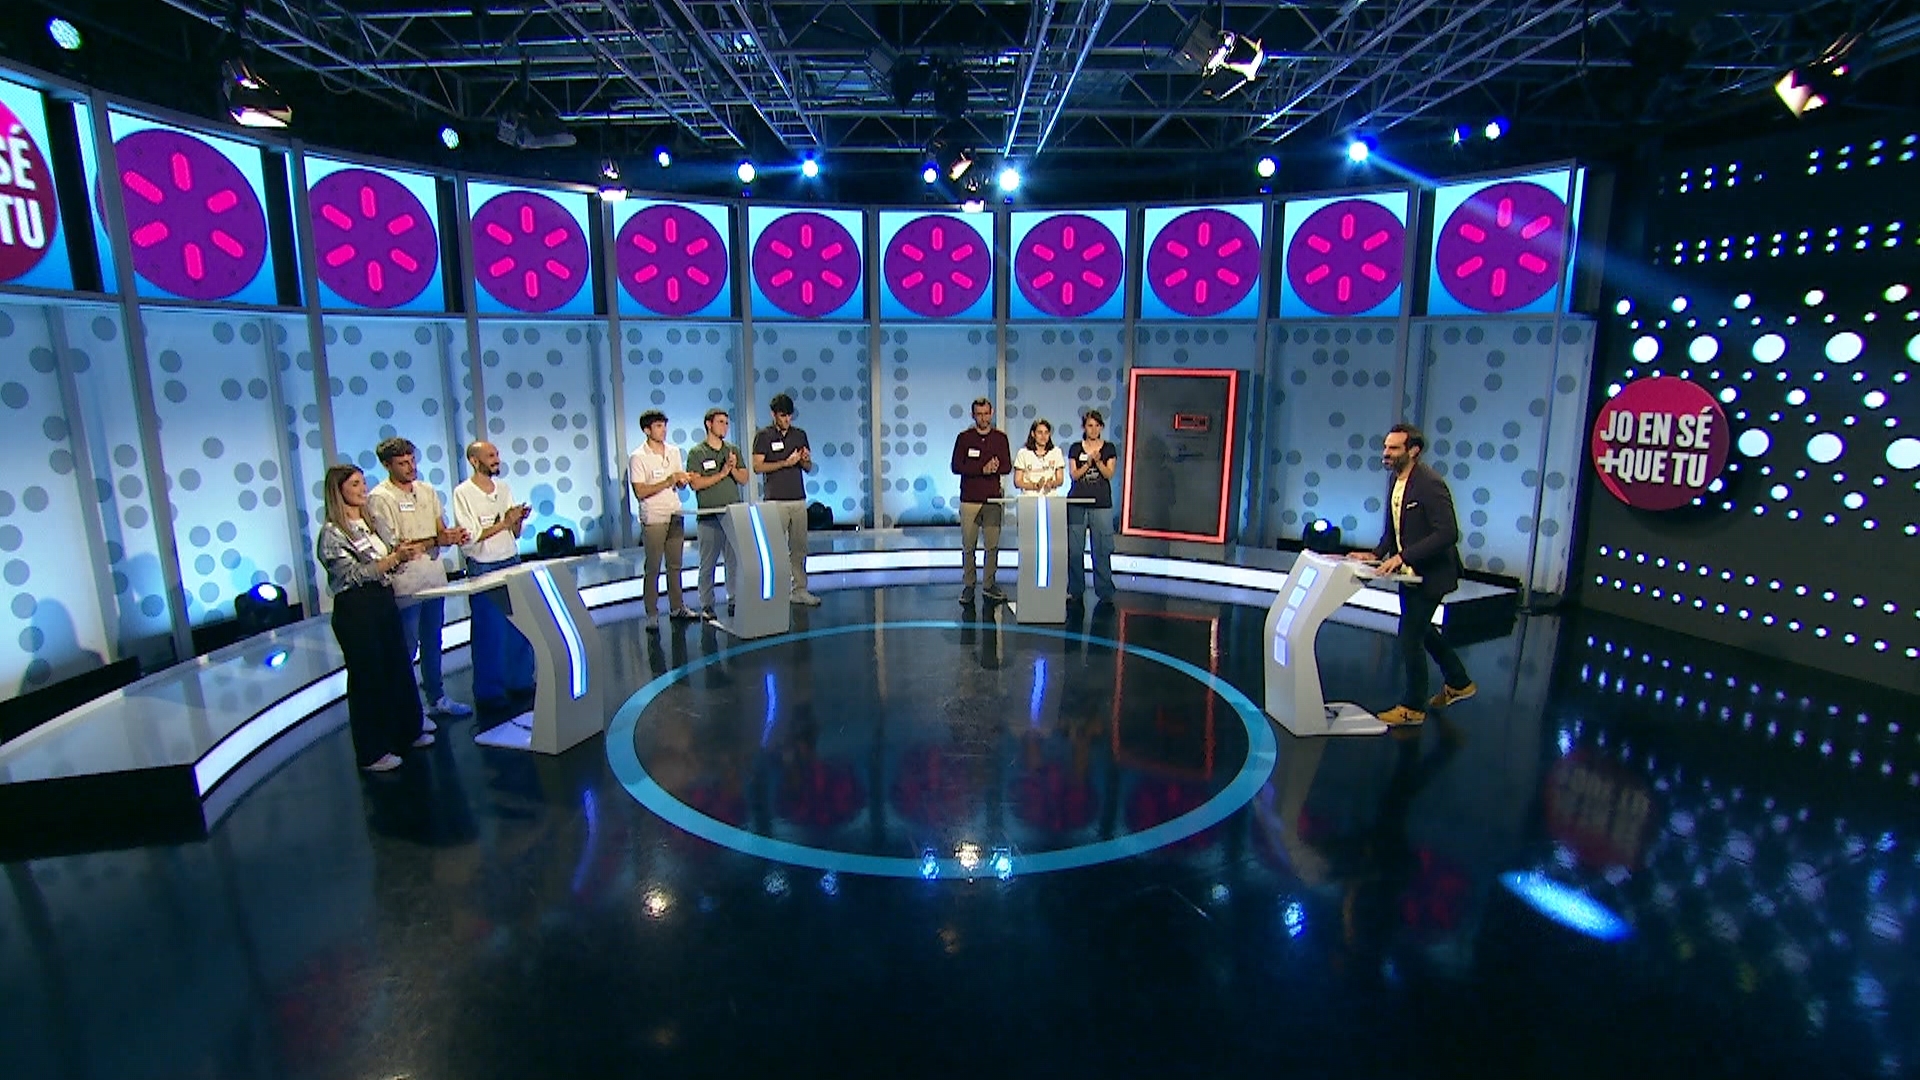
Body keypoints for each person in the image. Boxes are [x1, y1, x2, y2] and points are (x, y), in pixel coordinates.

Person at [1348, 423, 1475, 727]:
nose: (1386, 453)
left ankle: (1413, 707)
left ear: (1413, 451)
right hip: (1409, 575)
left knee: (1410, 637)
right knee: (1421, 630)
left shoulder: (1430, 484)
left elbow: (1448, 533)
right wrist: (1377, 553)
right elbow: (1395, 528)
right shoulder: (1397, 480)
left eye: (1393, 448)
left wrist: (1404, 557)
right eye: (1385, 447)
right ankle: (1459, 682)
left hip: (1431, 574)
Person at [316, 463, 434, 773]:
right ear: (338, 490)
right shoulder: (332, 533)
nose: (363, 489)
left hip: (383, 601)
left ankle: (407, 732)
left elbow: (387, 560)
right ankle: (372, 751)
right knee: (369, 678)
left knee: (397, 668)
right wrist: (392, 559)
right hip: (356, 609)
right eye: (355, 484)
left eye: (363, 482)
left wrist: (401, 556)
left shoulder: (372, 522)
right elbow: (353, 574)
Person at [366, 437, 473, 724]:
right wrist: (435, 540)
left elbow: (440, 531)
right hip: (406, 585)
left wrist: (451, 536)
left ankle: (437, 698)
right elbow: (397, 545)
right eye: (402, 463)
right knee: (407, 647)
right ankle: (408, 709)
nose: (410, 467)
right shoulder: (380, 498)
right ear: (387, 465)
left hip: (434, 578)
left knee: (433, 641)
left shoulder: (427, 490)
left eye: (412, 460)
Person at [452, 440, 536, 709]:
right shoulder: (463, 493)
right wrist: (505, 522)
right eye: (490, 455)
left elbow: (514, 532)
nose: (496, 459)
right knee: (490, 632)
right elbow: (470, 536)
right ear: (474, 461)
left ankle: (521, 681)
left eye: (497, 454)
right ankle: (490, 692)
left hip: (511, 561)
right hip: (483, 565)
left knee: (518, 626)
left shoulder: (504, 488)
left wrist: (518, 519)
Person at [628, 410, 700, 630]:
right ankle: (652, 613)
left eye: (664, 425)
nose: (663, 430)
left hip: (675, 512)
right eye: (658, 426)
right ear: (646, 430)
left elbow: (677, 483)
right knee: (653, 567)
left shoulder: (673, 451)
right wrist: (668, 480)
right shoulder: (638, 457)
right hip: (654, 517)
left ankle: (677, 607)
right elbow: (640, 491)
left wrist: (683, 480)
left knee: (675, 565)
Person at [751, 393, 822, 606]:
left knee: (799, 548)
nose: (787, 419)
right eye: (783, 415)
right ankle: (775, 592)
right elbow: (757, 467)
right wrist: (785, 462)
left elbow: (808, 467)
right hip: (775, 500)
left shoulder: (799, 435)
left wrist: (805, 460)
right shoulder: (763, 436)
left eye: (790, 415)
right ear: (773, 415)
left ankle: (799, 589)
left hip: (798, 498)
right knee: (776, 549)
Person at [685, 407, 750, 621]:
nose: (725, 426)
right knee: (708, 564)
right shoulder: (697, 453)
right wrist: (721, 474)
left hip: (732, 516)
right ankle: (707, 604)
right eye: (721, 422)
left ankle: (734, 599)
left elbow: (744, 478)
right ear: (709, 424)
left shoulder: (732, 450)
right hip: (709, 517)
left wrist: (732, 469)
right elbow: (695, 484)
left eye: (727, 423)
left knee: (734, 561)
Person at [951, 396, 1013, 604]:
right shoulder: (964, 438)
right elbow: (956, 466)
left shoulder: (1000, 438)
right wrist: (981, 468)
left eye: (986, 414)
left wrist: (995, 467)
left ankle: (989, 585)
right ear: (973, 415)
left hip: (993, 500)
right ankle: (969, 585)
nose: (983, 418)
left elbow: (1007, 466)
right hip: (969, 500)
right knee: (968, 546)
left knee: (992, 546)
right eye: (979, 414)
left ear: (992, 413)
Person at [1066, 410, 1119, 604]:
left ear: (1101, 427)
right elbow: (1074, 475)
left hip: (1101, 505)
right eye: (1090, 425)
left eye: (1097, 426)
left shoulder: (1109, 448)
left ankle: (1105, 591)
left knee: (1102, 549)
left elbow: (1109, 474)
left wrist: (1098, 461)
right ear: (1084, 427)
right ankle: (1075, 589)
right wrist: (1088, 463)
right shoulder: (1075, 448)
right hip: (1077, 504)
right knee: (1075, 550)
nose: (1094, 429)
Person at [1012, 418, 1067, 494]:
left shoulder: (1056, 452)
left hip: (1050, 496)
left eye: (1046, 432)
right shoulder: (1023, 453)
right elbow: (1017, 482)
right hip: (1029, 497)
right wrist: (1034, 486)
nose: (1043, 436)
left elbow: (1060, 480)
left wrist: (1051, 484)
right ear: (1033, 434)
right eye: (1040, 432)